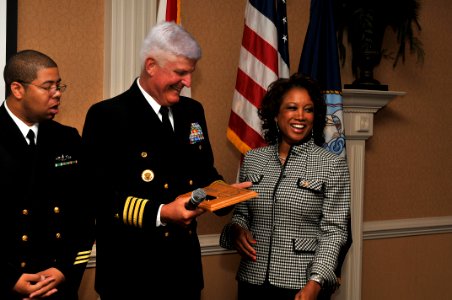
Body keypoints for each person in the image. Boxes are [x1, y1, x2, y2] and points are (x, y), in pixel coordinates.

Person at [81, 21, 250, 300]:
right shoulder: (107, 116)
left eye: (190, 73)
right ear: (151, 66)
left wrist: (224, 194)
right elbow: (99, 197)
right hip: (131, 275)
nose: (188, 83)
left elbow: (203, 171)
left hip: (183, 272)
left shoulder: (192, 111)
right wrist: (161, 213)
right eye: (180, 73)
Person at [220, 73, 351, 300]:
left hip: (301, 286)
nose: (300, 116)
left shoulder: (331, 164)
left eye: (308, 109)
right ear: (275, 114)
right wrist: (236, 230)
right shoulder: (253, 159)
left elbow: (335, 231)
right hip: (252, 281)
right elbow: (241, 215)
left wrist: (316, 282)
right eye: (292, 107)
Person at [0, 49, 95, 300]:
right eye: (48, 87)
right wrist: (8, 280)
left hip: (57, 287)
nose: (58, 94)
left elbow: (84, 215)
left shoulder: (67, 139)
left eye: (59, 85)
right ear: (17, 89)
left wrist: (64, 270)